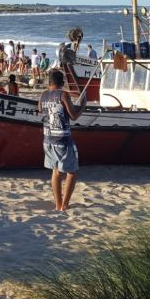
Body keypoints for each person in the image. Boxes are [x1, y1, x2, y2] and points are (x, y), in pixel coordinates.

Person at [39, 70, 85, 211]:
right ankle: (64, 205)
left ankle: (58, 204)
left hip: (47, 139)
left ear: (49, 82)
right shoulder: (63, 94)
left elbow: (41, 110)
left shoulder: (43, 95)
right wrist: (83, 104)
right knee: (72, 172)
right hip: (62, 139)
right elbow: (74, 115)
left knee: (56, 172)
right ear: (62, 83)